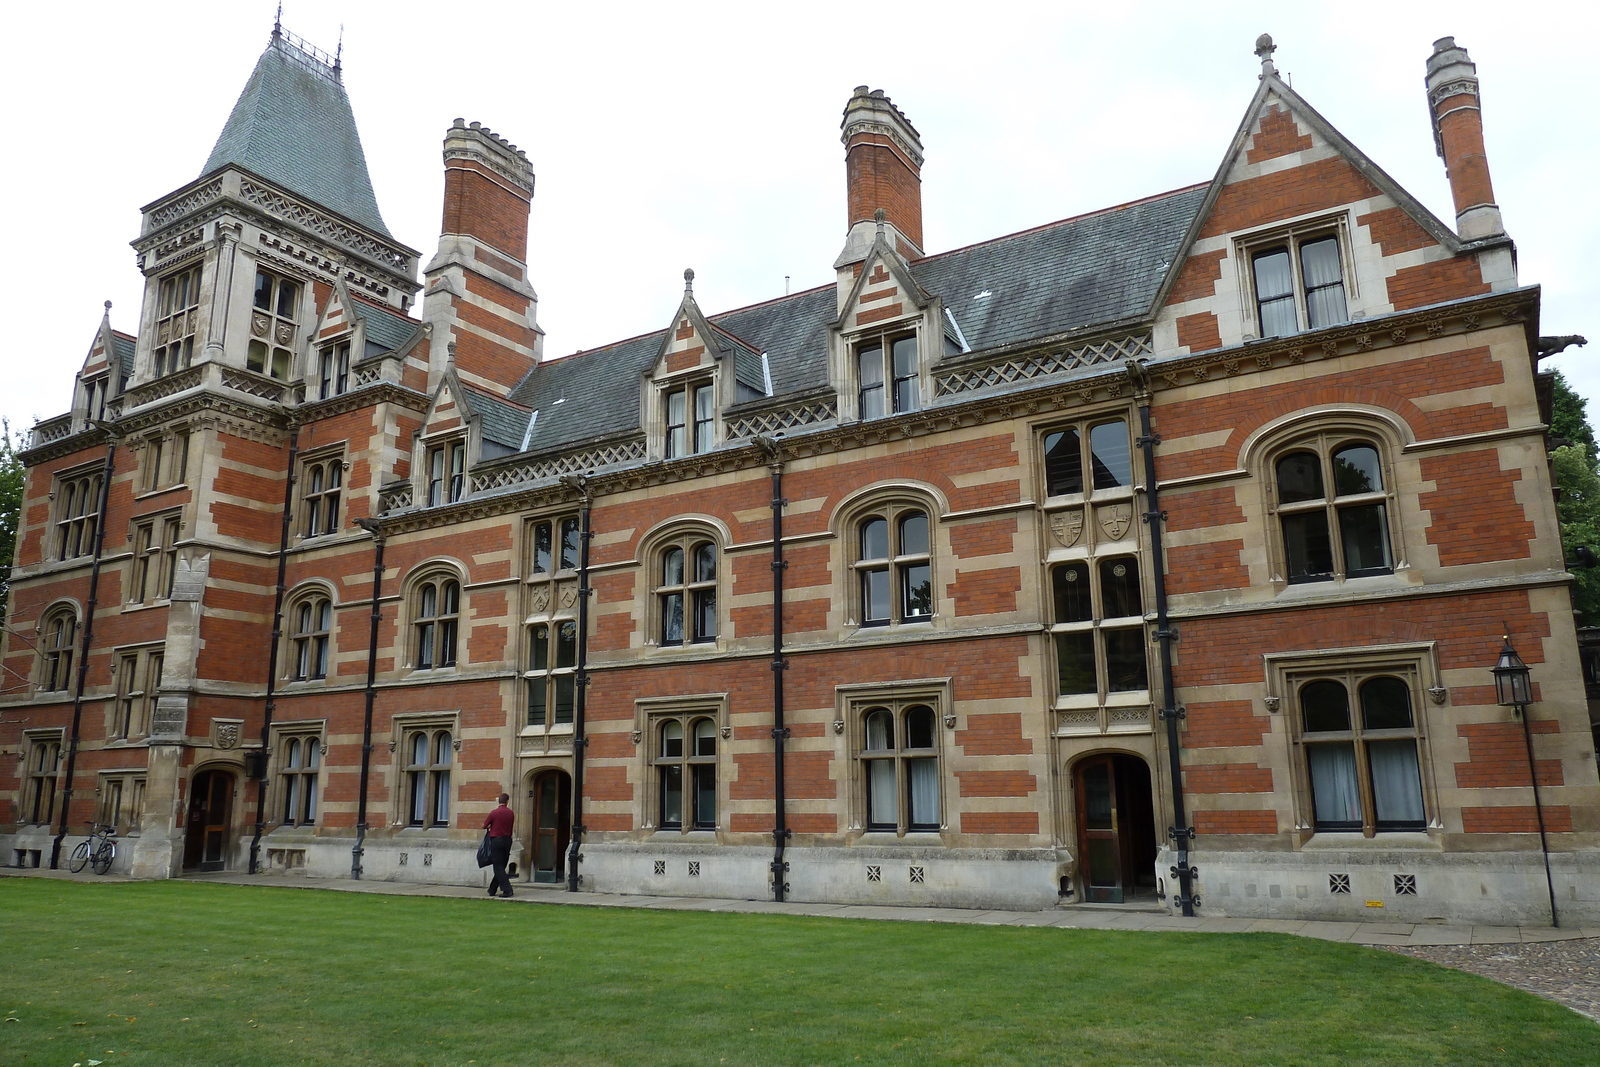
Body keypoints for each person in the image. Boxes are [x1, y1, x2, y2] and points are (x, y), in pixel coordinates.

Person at [483, 792, 515, 897]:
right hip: (507, 841)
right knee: (502, 866)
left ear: (499, 801)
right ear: (507, 801)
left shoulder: (494, 813)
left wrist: (490, 827)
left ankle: (508, 890)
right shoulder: (511, 813)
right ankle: (492, 889)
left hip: (496, 841)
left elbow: (484, 825)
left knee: (498, 867)